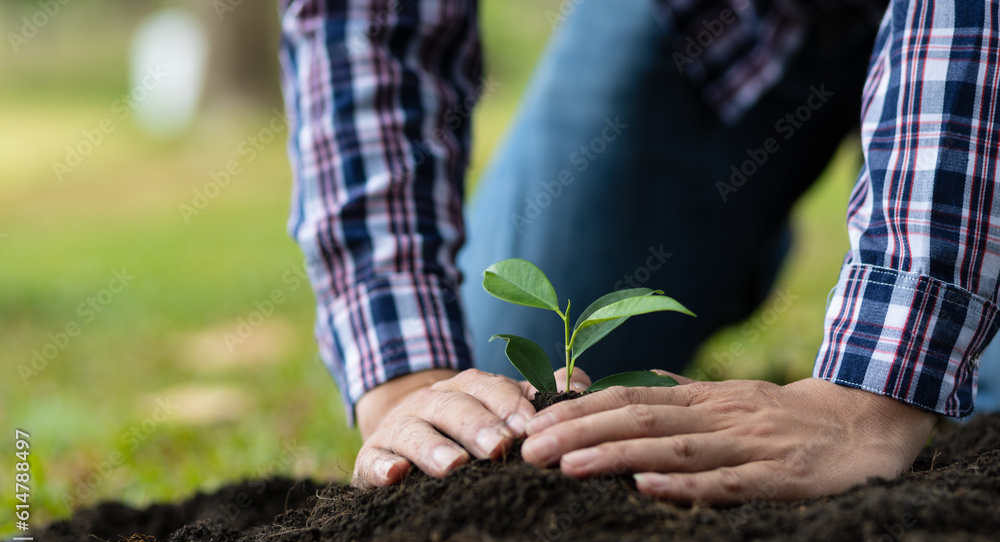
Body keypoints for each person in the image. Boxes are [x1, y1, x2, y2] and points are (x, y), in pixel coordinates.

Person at [277, 0, 999, 503]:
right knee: (504, 412)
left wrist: (873, 389)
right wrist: (402, 379)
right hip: (727, 21)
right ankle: (726, 228)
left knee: (975, 418)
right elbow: (365, 25)